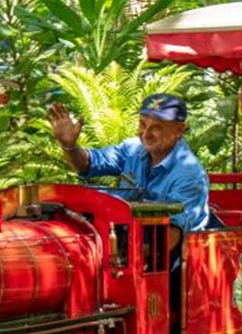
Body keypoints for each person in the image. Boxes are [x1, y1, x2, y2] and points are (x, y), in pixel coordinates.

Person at [48, 93, 211, 234]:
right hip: (126, 238)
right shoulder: (132, 149)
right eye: (142, 125)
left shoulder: (189, 174)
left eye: (157, 128)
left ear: (179, 130)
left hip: (171, 256)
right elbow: (87, 163)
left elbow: (172, 234)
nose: (146, 134)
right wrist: (69, 146)